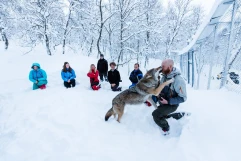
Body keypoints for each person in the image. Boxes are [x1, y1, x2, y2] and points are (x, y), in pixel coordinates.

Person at [152, 59, 187, 135]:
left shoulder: (178, 80)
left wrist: (168, 101)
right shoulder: (164, 77)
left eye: (163, 66)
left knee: (156, 114)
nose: (161, 68)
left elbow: (183, 98)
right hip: (163, 102)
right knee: (161, 112)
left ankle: (166, 128)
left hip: (171, 104)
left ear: (170, 66)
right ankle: (175, 115)